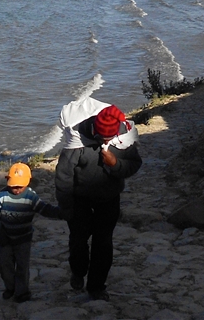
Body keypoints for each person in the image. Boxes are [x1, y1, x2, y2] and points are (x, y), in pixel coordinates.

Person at [55, 97, 142, 301]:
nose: (106, 142)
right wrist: (66, 207)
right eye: (103, 138)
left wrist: (115, 164)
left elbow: (134, 163)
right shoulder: (76, 140)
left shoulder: (122, 136)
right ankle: (78, 271)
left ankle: (96, 287)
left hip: (109, 198)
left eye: (110, 138)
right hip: (79, 200)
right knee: (78, 241)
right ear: (94, 130)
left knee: (103, 244)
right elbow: (63, 176)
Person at [0, 162, 61, 302]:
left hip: (23, 239)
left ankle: (22, 292)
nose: (16, 189)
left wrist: (60, 213)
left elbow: (44, 209)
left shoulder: (31, 196)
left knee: (22, 266)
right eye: (13, 186)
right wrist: (0, 236)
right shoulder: (2, 196)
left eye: (19, 186)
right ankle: (10, 287)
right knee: (5, 266)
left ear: (28, 183)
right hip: (5, 240)